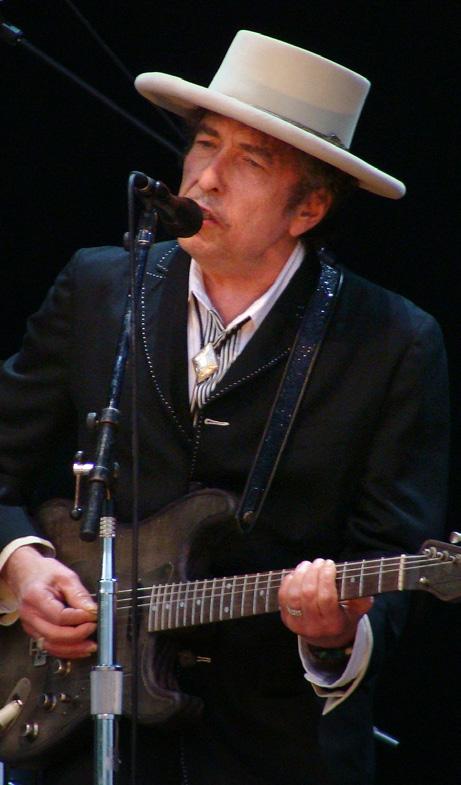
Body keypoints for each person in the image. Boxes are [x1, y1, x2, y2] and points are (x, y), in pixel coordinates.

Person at [0, 29, 449, 785]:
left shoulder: (392, 341)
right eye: (205, 144)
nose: (205, 179)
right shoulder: (99, 287)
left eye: (250, 161)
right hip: (80, 732)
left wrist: (335, 636)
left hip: (273, 748)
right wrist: (20, 564)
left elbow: (390, 557)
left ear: (308, 207)